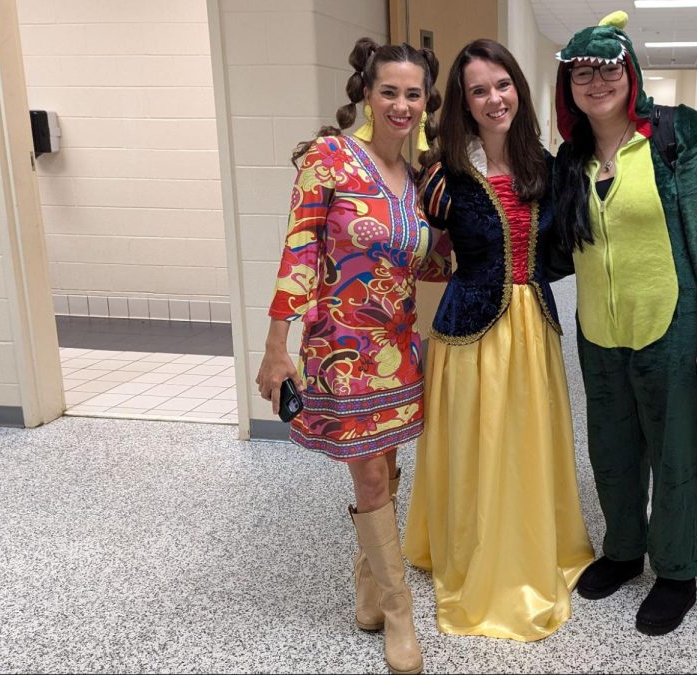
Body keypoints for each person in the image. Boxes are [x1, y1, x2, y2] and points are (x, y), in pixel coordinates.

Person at [550, 11, 697, 636]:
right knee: (611, 447)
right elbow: (558, 246)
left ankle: (675, 570)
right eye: (581, 73)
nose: (595, 82)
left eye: (608, 69)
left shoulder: (680, 136)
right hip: (601, 330)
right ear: (568, 89)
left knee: (677, 450)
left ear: (630, 73)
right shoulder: (570, 157)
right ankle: (622, 550)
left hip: (676, 323)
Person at [254, 37, 449, 675]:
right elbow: (299, 253)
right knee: (369, 476)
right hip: (341, 348)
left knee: (388, 472)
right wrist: (276, 347)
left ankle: (369, 595)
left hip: (398, 344)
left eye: (412, 94)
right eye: (388, 91)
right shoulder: (330, 158)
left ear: (426, 102)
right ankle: (399, 616)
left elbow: (432, 263)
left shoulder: (422, 177)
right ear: (366, 94)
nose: (401, 104)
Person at [403, 38, 594, 642]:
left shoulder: (547, 165)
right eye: (478, 89)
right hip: (467, 335)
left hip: (533, 329)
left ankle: (536, 542)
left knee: (526, 441)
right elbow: (416, 249)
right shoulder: (442, 175)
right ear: (464, 101)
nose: (493, 98)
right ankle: (474, 551)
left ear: (519, 87)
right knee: (477, 446)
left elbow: (566, 247)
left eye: (502, 83)